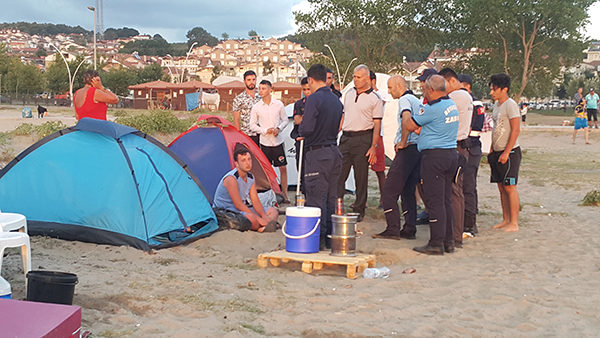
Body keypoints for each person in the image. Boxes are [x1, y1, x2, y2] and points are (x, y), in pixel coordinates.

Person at [404, 75, 459, 255]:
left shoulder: (431, 108)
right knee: (445, 200)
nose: (424, 92)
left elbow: (411, 125)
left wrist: (406, 112)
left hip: (434, 157)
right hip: (450, 154)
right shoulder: (451, 105)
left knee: (434, 201)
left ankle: (436, 243)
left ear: (431, 90)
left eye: (425, 89)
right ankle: (448, 241)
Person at [298, 64, 343, 250]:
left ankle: (316, 240)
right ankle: (331, 238)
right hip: (334, 150)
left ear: (310, 79)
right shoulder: (336, 100)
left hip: (318, 153)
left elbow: (306, 128)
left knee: (316, 198)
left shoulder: (314, 99)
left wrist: (300, 129)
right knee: (331, 198)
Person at [372, 75, 422, 240]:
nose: (388, 91)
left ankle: (392, 228)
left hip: (408, 149)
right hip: (417, 149)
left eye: (391, 87)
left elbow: (406, 119)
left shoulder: (405, 100)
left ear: (400, 86)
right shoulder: (416, 100)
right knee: (408, 190)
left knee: (389, 190)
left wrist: (402, 141)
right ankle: (409, 227)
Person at [337, 65, 383, 222]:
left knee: (360, 175)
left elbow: (377, 124)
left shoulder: (374, 99)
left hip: (363, 137)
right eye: (354, 76)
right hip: (346, 137)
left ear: (367, 79)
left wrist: (373, 146)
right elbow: (344, 114)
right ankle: (337, 203)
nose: (355, 80)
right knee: (339, 172)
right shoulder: (349, 94)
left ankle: (359, 207)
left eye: (358, 77)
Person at [439, 68, 472, 248]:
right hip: (461, 145)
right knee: (455, 190)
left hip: (456, 146)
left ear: (451, 81)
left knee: (454, 191)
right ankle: (454, 232)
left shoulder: (457, 96)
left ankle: (455, 234)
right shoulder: (466, 96)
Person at [213, 148, 279, 232]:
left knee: (273, 211)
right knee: (251, 218)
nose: (247, 163)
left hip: (240, 210)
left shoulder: (251, 177)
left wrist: (263, 216)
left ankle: (264, 225)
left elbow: (255, 200)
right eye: (243, 160)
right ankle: (263, 226)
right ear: (237, 164)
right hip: (225, 211)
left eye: (249, 159)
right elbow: (238, 204)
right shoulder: (231, 179)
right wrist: (259, 219)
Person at [488, 73, 521, 232]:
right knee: (501, 187)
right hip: (497, 150)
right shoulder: (496, 106)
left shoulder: (511, 105)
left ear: (504, 89)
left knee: (510, 187)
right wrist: (492, 149)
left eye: (494, 89)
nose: (492, 92)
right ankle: (506, 219)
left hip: (510, 152)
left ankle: (514, 222)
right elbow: (495, 129)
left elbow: (515, 129)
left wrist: (507, 151)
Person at [249, 80, 290, 203]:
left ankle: (285, 194)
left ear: (270, 90)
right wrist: (265, 130)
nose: (261, 91)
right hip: (265, 142)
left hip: (277, 141)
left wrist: (279, 128)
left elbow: (285, 120)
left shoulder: (278, 104)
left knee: (283, 167)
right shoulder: (256, 107)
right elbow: (252, 125)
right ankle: (270, 194)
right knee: (266, 170)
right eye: (260, 88)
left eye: (263, 88)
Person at [457, 73, 485, 235]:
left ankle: (469, 224)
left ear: (466, 86)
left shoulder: (473, 103)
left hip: (470, 147)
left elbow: (474, 128)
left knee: (468, 186)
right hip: (468, 146)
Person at [290, 77, 312, 195]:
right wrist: (310, 116)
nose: (307, 92)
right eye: (304, 89)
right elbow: (297, 120)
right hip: (300, 138)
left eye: (309, 89)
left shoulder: (317, 102)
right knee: (301, 165)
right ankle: (302, 190)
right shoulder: (299, 104)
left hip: (313, 140)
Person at [369, 70, 387, 209]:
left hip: (377, 135)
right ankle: (362, 200)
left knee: (380, 170)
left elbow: (381, 103)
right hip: (363, 135)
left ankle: (383, 199)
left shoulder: (380, 95)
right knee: (361, 170)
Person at [233, 70, 261, 145]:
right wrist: (239, 136)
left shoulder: (261, 97)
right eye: (249, 80)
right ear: (244, 81)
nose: (251, 82)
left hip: (262, 134)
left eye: (253, 79)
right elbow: (236, 119)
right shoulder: (239, 99)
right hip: (247, 134)